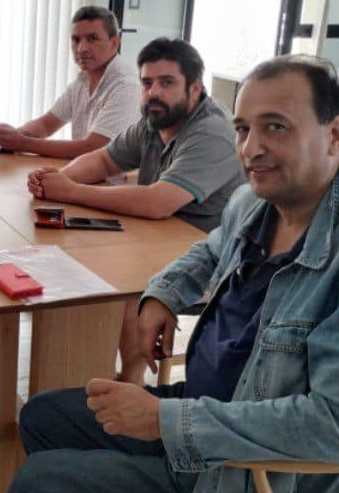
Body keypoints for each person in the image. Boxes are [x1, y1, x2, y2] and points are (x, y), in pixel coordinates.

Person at [1, 54, 339, 493]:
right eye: (243, 129)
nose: (251, 148)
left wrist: (169, 421)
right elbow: (209, 251)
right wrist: (162, 295)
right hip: (204, 409)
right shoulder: (256, 203)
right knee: (41, 416)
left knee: (37, 488)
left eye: (276, 127)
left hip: (254, 478)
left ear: (335, 135)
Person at [28, 37, 245, 384]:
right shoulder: (156, 119)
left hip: (215, 262)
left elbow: (157, 203)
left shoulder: (212, 133)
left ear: (195, 87)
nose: (153, 92)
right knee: (85, 258)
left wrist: (70, 191)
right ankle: (78, 374)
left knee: (125, 279)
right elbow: (103, 160)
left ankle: (131, 381)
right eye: (147, 83)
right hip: (159, 240)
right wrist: (56, 180)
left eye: (167, 82)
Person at [0, 6, 139, 159]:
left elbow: (92, 148)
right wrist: (13, 136)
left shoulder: (126, 86)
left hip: (112, 175)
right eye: (76, 40)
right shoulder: (82, 81)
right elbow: (45, 125)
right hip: (82, 172)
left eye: (92, 39)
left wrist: (21, 143)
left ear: (115, 43)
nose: (81, 48)